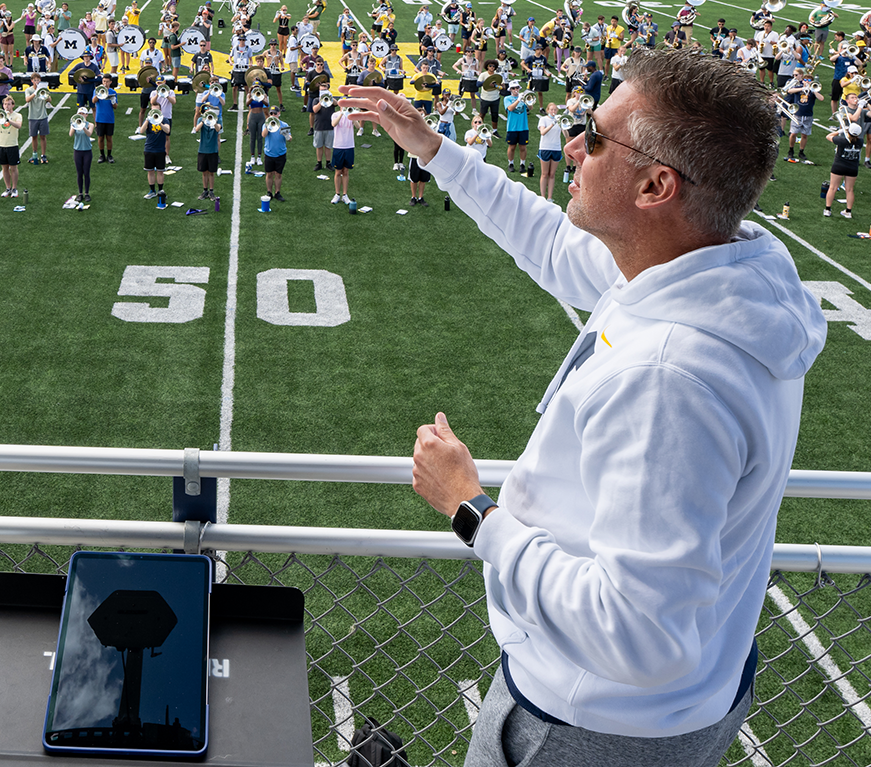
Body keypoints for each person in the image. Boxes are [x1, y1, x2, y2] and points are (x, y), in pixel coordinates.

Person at [341, 49, 821, 767]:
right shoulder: (714, 269)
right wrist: (436, 151)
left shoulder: (670, 377)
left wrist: (473, 510)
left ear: (657, 184)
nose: (572, 147)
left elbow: (642, 635)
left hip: (592, 723)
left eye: (595, 138)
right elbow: (555, 246)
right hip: (681, 700)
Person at [0, 95, 25, 197]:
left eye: (9, 104)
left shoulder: (17, 115)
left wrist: (8, 119)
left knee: (13, 168)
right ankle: (8, 188)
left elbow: (19, 125)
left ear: (13, 105)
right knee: (4, 168)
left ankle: (14, 188)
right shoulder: (0, 114)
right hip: (1, 145)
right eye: (5, 104)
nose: (7, 106)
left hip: (12, 145)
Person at [140, 104, 171, 202]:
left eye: (157, 110)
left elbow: (167, 130)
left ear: (160, 110)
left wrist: (159, 122)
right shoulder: (148, 120)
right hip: (149, 149)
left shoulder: (165, 120)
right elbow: (141, 131)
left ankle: (160, 190)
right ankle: (152, 191)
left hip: (160, 150)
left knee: (160, 171)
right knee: (150, 171)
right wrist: (148, 120)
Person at [329, 97, 356, 206]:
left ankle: (345, 195)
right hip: (338, 146)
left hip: (349, 146)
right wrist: (342, 114)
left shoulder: (351, 114)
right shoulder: (335, 114)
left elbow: (358, 126)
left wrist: (352, 117)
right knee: (338, 171)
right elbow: (333, 124)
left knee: (346, 171)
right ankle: (337, 194)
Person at [262, 108, 289, 202]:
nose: (273, 115)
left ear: (279, 114)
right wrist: (267, 126)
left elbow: (289, 138)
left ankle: (277, 192)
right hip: (269, 153)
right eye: (271, 113)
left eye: (275, 113)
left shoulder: (284, 125)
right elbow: (263, 135)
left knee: (278, 174)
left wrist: (287, 135)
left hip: (280, 154)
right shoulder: (266, 124)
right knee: (269, 174)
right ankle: (269, 192)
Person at [69, 111, 95, 208]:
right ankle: (80, 193)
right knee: (79, 173)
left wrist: (83, 126)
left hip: (87, 151)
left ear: (86, 115)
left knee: (86, 172)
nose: (82, 115)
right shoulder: (74, 124)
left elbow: (89, 134)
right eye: (80, 113)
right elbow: (70, 134)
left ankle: (87, 193)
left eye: (83, 113)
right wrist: (74, 126)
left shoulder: (90, 124)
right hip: (78, 151)